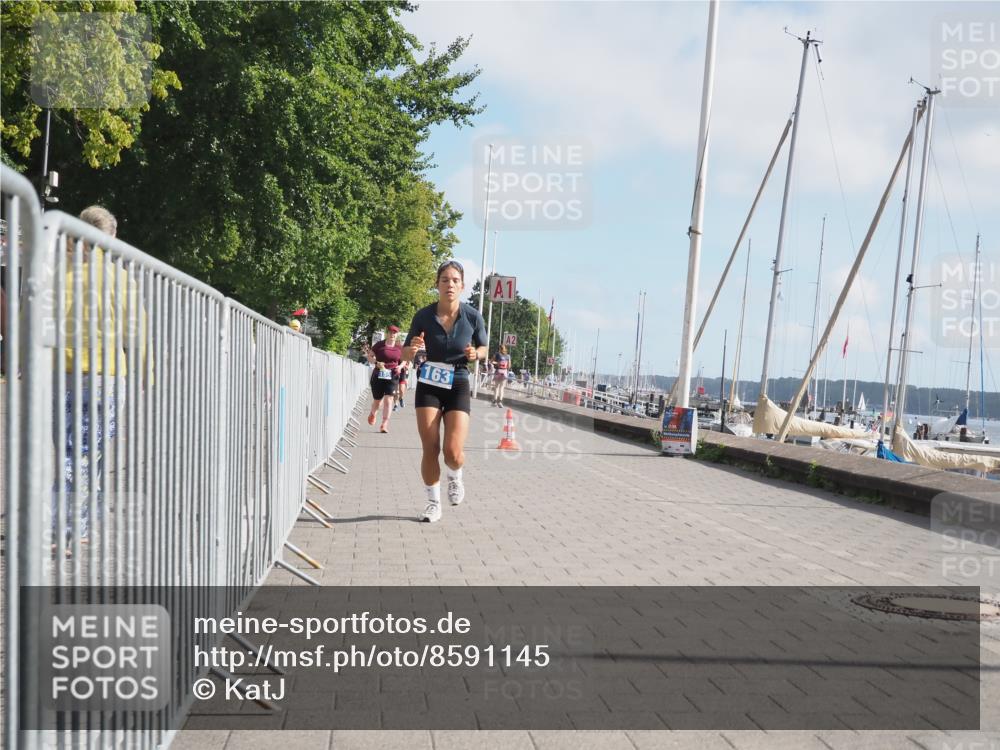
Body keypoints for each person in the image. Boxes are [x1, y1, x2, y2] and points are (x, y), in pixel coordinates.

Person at [401, 260, 487, 523]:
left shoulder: (472, 316)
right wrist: (413, 349)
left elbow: (484, 349)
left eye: (455, 280)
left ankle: (455, 476)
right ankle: (433, 503)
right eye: (444, 280)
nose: (449, 284)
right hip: (429, 380)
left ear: (462, 286)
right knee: (430, 447)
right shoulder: (423, 316)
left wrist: (476, 354)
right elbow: (404, 353)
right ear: (437, 284)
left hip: (459, 379)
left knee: (452, 452)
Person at [366, 325, 403, 432]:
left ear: (397, 335)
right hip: (379, 374)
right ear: (387, 333)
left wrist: (400, 367)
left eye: (394, 333)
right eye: (390, 332)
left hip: (393, 375)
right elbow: (369, 356)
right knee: (377, 400)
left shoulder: (399, 347)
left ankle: (384, 424)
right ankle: (373, 413)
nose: (392, 335)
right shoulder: (380, 345)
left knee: (389, 399)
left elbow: (404, 360)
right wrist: (376, 363)